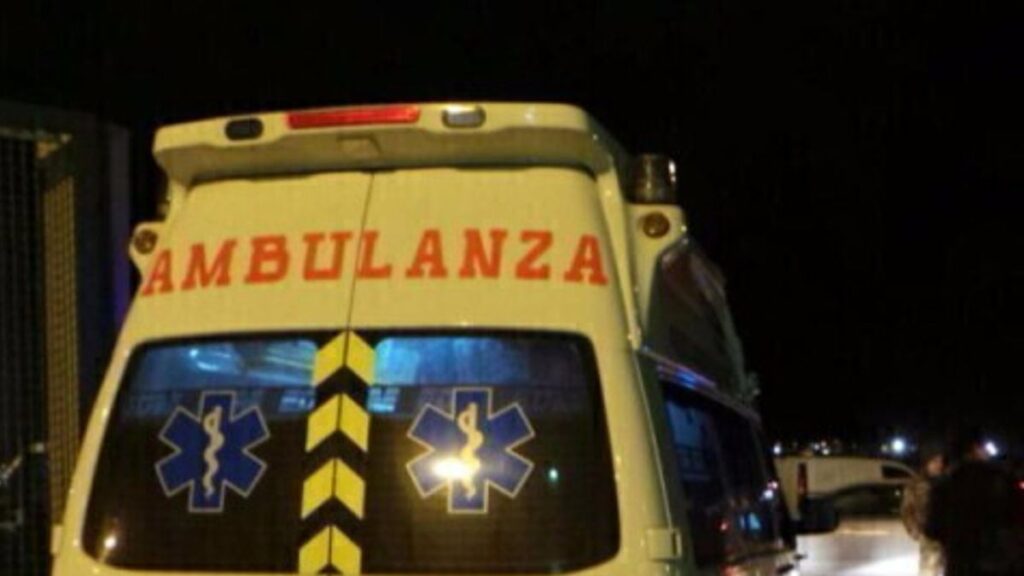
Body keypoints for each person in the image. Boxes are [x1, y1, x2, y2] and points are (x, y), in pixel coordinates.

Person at [925, 427, 1024, 576]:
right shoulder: (1001, 479)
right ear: (976, 448)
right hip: (999, 562)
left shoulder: (944, 484)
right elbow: (1017, 518)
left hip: (960, 563)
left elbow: (933, 529)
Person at [901, 442, 945, 576]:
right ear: (926, 463)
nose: (938, 465)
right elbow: (907, 510)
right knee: (928, 572)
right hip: (929, 539)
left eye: (940, 462)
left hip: (948, 538)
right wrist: (917, 533)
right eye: (934, 461)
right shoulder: (916, 484)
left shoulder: (947, 482)